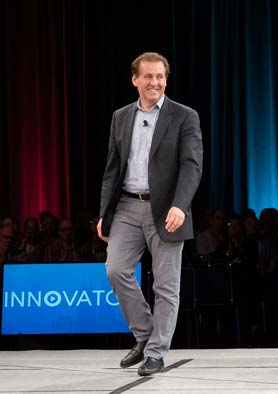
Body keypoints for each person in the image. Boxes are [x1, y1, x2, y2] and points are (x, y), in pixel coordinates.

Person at [97, 52, 203, 376]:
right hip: (128, 205)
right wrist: (105, 213)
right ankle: (145, 335)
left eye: (160, 76)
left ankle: (156, 352)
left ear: (166, 80)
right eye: (148, 76)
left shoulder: (184, 116)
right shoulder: (120, 116)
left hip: (167, 209)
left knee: (166, 285)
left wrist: (180, 205)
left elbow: (192, 165)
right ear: (135, 80)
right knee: (116, 270)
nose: (154, 82)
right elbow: (112, 169)